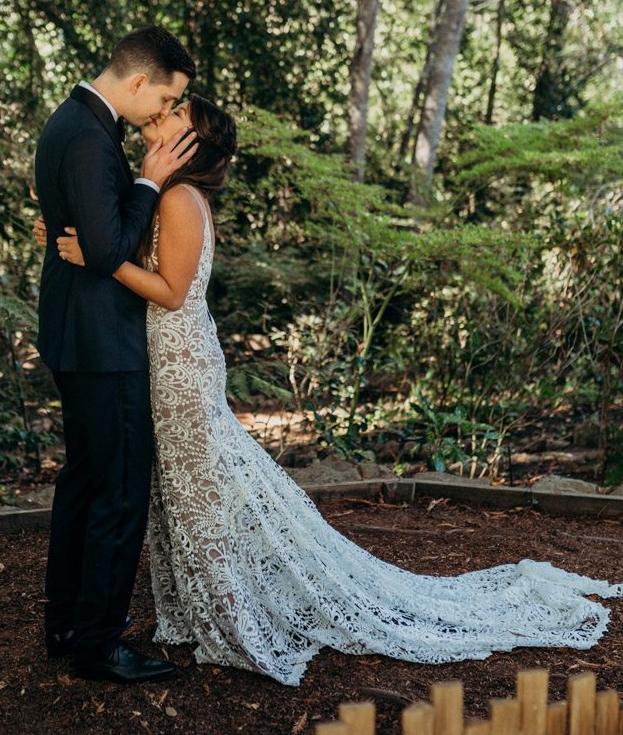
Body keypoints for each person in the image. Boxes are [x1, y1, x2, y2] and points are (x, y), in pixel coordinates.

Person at [49, 96, 623, 688]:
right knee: (187, 494)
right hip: (163, 363)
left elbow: (169, 292)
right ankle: (204, 610)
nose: (161, 116)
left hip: (181, 368)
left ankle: (232, 616)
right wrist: (83, 236)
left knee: (204, 496)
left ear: (193, 145)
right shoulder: (163, 194)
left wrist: (103, 258)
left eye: (176, 116)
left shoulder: (179, 199)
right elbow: (116, 235)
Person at [33, 25, 198, 685]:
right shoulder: (88, 136)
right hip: (102, 341)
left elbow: (87, 234)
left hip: (77, 334)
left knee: (84, 480)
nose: (162, 115)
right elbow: (105, 253)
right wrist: (150, 181)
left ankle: (66, 622)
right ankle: (97, 644)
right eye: (164, 100)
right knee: (119, 490)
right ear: (137, 82)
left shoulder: (71, 123)